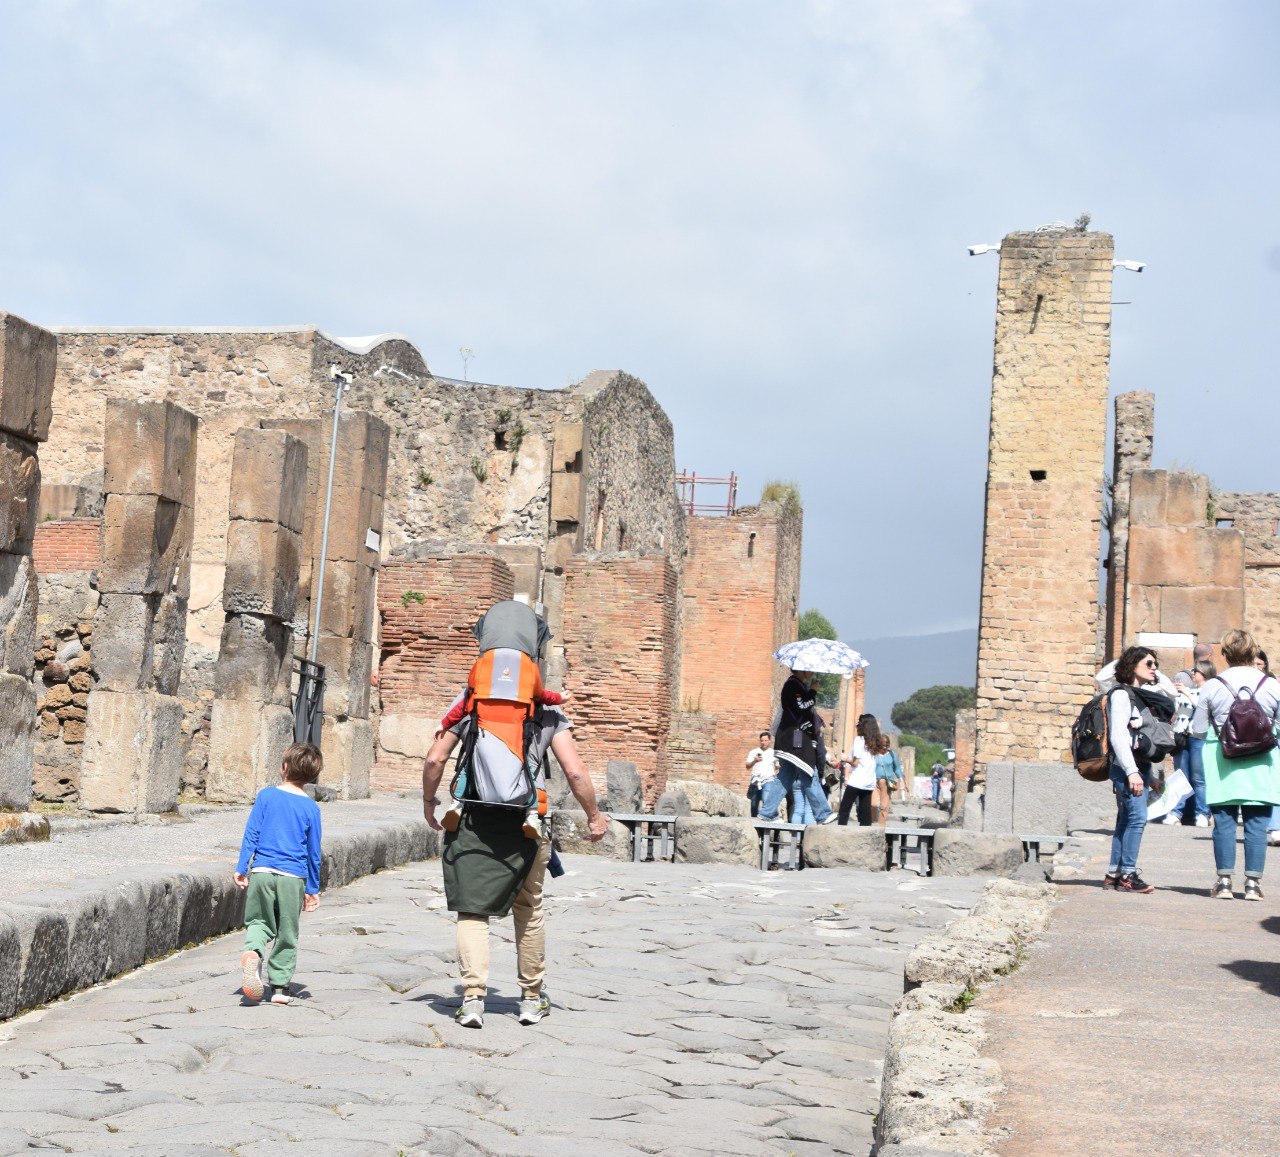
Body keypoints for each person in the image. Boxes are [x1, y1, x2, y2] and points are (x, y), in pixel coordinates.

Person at [437, 601, 570, 840]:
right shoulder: (529, 669)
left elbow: (465, 702)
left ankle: (456, 805)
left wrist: (445, 724)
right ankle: (531, 814)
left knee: (470, 761)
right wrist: (560, 698)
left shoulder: (481, 665)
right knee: (528, 765)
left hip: (485, 728)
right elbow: (541, 696)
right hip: (518, 732)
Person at [1192, 629, 1280, 900]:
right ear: (1254, 652)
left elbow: (1197, 729)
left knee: (1224, 822)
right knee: (1256, 824)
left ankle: (1224, 882)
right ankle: (1253, 884)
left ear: (1226, 654)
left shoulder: (1213, 685)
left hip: (1223, 759)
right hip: (1262, 761)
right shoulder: (1272, 685)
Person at [235, 743, 324, 1005]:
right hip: (292, 877)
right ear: (311, 776)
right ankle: (280, 989)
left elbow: (252, 833)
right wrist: (313, 888)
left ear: (284, 767)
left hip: (262, 871)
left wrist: (242, 867)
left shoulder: (266, 796)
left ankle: (253, 952)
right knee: (287, 931)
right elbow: (313, 852)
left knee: (259, 922)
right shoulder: (311, 809)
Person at [1103, 646, 1161, 894]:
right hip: (1127, 767)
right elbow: (1118, 736)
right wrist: (1132, 772)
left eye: (1155, 664)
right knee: (1137, 818)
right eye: (1149, 663)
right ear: (1132, 666)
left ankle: (1114, 873)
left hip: (1138, 767)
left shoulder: (1136, 693)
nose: (1154, 668)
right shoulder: (1121, 695)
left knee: (1126, 820)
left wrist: (1150, 776)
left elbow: (1168, 691)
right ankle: (1128, 875)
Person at [772, 669, 837, 825]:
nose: (812, 672)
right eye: (809, 670)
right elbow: (801, 706)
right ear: (801, 670)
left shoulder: (797, 685)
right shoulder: (792, 685)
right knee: (810, 773)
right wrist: (813, 692)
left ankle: (767, 812)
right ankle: (822, 813)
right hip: (795, 738)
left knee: (785, 776)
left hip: (794, 738)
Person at [1164, 658, 1214, 826]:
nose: (1193, 674)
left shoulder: (1209, 691)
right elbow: (1178, 711)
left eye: (1196, 671)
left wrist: (1186, 693)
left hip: (1198, 738)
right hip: (1182, 737)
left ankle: (1203, 813)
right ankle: (1177, 811)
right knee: (1181, 777)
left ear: (1205, 674)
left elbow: (1203, 710)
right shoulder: (1188, 690)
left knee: (1199, 778)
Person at [838, 714, 879, 826]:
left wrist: (845, 758)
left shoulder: (859, 740)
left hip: (857, 780)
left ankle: (840, 831)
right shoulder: (876, 742)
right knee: (865, 812)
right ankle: (865, 834)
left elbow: (855, 762)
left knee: (844, 809)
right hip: (869, 781)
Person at [745, 732, 777, 818]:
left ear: (769, 741)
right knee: (754, 805)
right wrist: (754, 761)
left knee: (766, 803)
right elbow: (747, 766)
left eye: (766, 740)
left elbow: (778, 767)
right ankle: (755, 826)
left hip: (768, 781)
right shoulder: (754, 752)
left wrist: (776, 774)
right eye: (762, 740)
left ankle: (766, 825)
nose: (764, 742)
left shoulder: (774, 753)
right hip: (755, 782)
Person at [873, 736, 902, 826]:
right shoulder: (874, 754)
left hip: (887, 783)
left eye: (886, 745)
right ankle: (871, 825)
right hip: (874, 782)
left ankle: (881, 827)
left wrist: (901, 779)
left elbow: (897, 768)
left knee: (884, 806)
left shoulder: (892, 754)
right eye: (882, 745)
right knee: (873, 804)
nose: (884, 747)